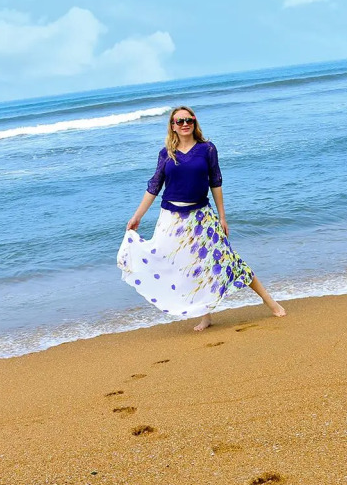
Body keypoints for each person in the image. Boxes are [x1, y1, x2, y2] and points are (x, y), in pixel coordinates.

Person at [118, 105, 287, 331]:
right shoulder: (166, 153)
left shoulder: (207, 149)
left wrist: (222, 217)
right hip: (171, 220)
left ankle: (269, 301)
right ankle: (205, 316)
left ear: (194, 122)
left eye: (189, 120)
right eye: (179, 121)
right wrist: (137, 216)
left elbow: (215, 182)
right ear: (172, 126)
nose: (185, 124)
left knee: (229, 260)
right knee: (187, 266)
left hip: (202, 218)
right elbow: (154, 187)